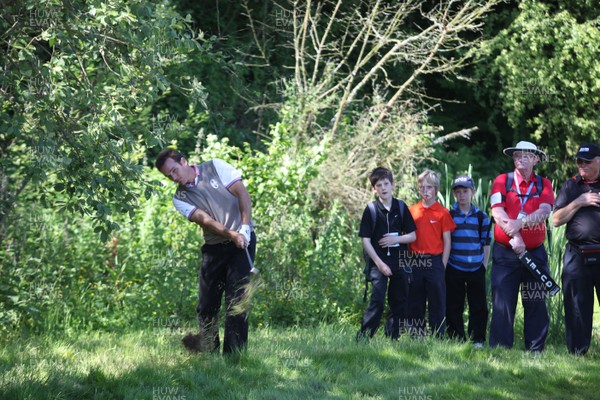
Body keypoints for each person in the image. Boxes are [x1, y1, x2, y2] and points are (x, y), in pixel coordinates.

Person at [155, 148, 255, 355]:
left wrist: (244, 228)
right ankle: (208, 352)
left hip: (243, 243)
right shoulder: (179, 198)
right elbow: (206, 221)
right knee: (206, 304)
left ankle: (234, 357)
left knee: (237, 301)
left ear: (183, 161)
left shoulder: (215, 166)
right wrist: (232, 235)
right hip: (214, 248)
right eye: (169, 176)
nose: (174, 178)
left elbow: (242, 193)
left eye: (174, 170)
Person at [488, 141, 554, 351]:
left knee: (535, 300)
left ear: (536, 159)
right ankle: (500, 350)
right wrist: (515, 237)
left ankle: (535, 351)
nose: (520, 159)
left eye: (526, 156)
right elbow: (497, 212)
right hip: (506, 254)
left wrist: (521, 223)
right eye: (517, 155)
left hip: (535, 253)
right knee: (502, 303)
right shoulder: (502, 181)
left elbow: (544, 212)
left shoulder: (544, 184)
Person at [357, 167, 417, 340]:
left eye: (386, 184)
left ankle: (393, 336)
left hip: (399, 260)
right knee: (377, 298)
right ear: (374, 189)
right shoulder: (371, 210)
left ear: (392, 185)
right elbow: (366, 240)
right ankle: (364, 337)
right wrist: (379, 263)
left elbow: (413, 235)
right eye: (378, 185)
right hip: (378, 261)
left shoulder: (401, 207)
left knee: (399, 300)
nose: (383, 188)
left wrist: (395, 240)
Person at [552, 143, 600, 355]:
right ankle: (577, 352)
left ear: (598, 161)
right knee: (577, 306)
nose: (582, 165)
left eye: (587, 161)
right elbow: (555, 220)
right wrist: (579, 202)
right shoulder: (570, 187)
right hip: (577, 255)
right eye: (579, 161)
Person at [407, 169, 456, 337]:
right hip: (415, 260)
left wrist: (442, 264)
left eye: (429, 187)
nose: (425, 191)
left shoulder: (443, 213)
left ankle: (437, 336)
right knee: (415, 300)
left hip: (435, 260)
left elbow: (447, 241)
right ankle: (416, 335)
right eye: (422, 187)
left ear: (436, 189)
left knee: (437, 301)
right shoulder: (412, 210)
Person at [446, 175, 491, 347]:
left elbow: (486, 243)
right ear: (454, 195)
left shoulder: (482, 217)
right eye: (458, 192)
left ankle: (477, 339)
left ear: (472, 192)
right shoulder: (449, 215)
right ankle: (456, 338)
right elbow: (446, 241)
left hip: (476, 267)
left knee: (478, 305)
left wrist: (483, 265)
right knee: (453, 305)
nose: (462, 195)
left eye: (465, 191)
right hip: (454, 266)